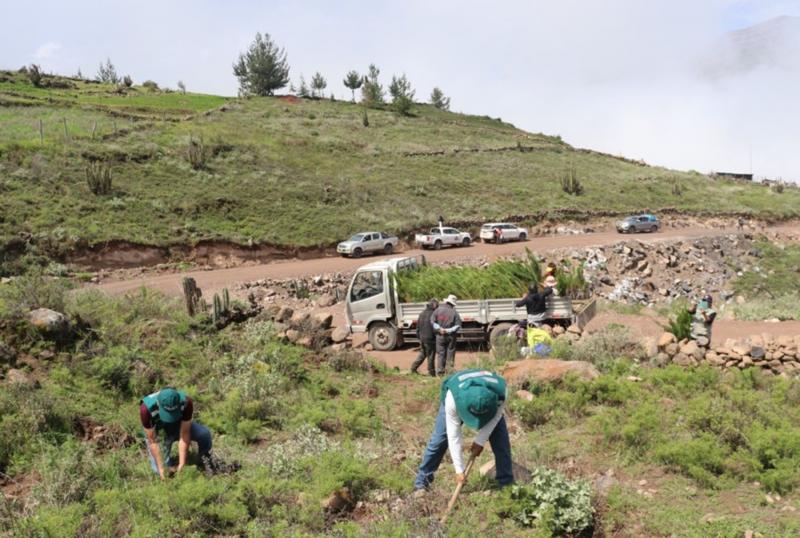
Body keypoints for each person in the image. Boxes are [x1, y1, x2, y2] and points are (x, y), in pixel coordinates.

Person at [413, 369, 513, 492]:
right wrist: (459, 470)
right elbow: (453, 435)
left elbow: (496, 417)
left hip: (489, 403)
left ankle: (507, 487)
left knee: (501, 443)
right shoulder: (453, 399)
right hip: (458, 393)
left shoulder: (501, 394)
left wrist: (480, 441)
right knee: (439, 440)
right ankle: (421, 483)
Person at [140, 387, 216, 479]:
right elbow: (153, 441)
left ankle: (205, 460)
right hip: (160, 434)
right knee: (158, 470)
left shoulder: (186, 402)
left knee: (204, 434)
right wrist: (161, 468)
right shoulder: (146, 409)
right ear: (158, 404)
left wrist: (182, 464)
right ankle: (169, 466)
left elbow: (185, 433)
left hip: (179, 426)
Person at [432, 295, 462, 375]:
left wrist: (440, 329)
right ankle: (449, 371)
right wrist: (447, 330)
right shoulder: (454, 313)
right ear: (453, 304)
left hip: (440, 336)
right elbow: (458, 325)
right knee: (450, 353)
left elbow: (432, 322)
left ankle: (440, 372)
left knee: (441, 354)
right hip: (451, 336)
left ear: (446, 302)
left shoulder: (437, 311)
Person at [410, 299, 439, 376]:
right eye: (437, 306)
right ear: (434, 305)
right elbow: (434, 328)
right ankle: (431, 372)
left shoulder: (422, 313)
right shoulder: (433, 314)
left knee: (422, 354)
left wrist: (419, 337)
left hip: (422, 338)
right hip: (430, 339)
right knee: (431, 355)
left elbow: (418, 327)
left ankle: (413, 368)